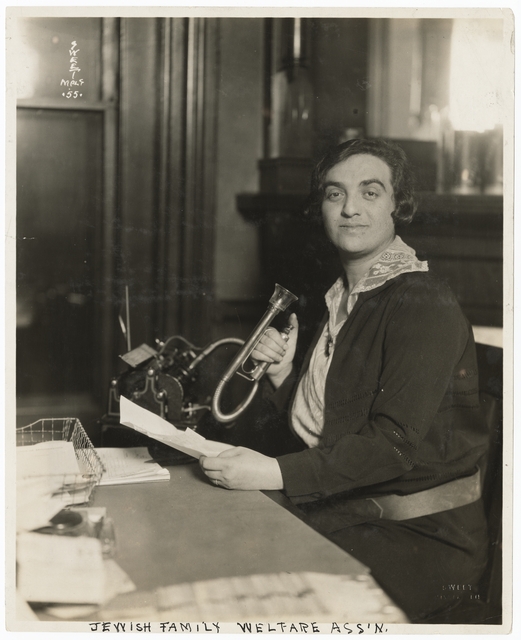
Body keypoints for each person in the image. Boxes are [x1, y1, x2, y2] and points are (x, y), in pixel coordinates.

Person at [199, 138, 490, 623]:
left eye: (370, 192)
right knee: (215, 555)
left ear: (400, 204)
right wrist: (285, 375)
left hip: (422, 538)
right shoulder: (342, 298)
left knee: (251, 594)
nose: (350, 208)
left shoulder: (423, 302)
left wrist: (272, 474)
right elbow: (331, 431)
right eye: (336, 194)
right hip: (351, 512)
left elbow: (391, 446)